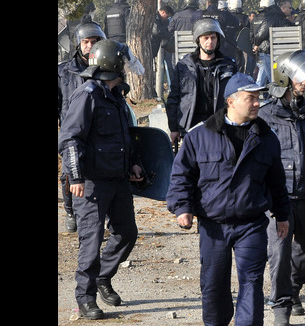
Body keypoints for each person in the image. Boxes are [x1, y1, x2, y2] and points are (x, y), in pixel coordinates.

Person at [167, 72, 290, 326]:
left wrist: (283, 215)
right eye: (251, 98)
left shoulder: (267, 137)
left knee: (252, 281)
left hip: (252, 222)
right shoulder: (199, 136)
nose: (257, 103)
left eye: (258, 98)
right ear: (231, 101)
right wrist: (182, 207)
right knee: (214, 282)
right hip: (213, 225)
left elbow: (277, 180)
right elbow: (182, 175)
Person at [58, 39, 145, 320]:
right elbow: (70, 138)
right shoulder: (87, 94)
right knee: (91, 242)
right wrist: (76, 176)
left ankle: (103, 278)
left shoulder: (116, 95)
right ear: (113, 64)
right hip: (92, 182)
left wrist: (133, 163)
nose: (126, 68)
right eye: (123, 63)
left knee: (127, 233)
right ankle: (85, 298)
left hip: (118, 179)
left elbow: (124, 137)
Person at [259, 51, 305, 325]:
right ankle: (281, 307)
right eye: (302, 76)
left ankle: (292, 290)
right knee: (279, 251)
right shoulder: (266, 115)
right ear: (286, 78)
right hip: (279, 197)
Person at [58, 21, 107, 233]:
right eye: (85, 42)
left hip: (100, 131)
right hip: (72, 131)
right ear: (79, 44)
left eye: (93, 41)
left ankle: (97, 215)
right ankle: (70, 211)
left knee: (100, 174)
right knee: (69, 173)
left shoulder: (108, 69)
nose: (89, 46)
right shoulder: (63, 72)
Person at [165, 18, 238, 152]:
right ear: (198, 39)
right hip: (190, 127)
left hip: (220, 126)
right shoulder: (184, 66)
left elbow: (237, 97)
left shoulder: (228, 65)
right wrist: (174, 128)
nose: (210, 42)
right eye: (205, 38)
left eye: (213, 38)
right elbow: (174, 97)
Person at [251, 0, 292, 86]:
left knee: (272, 78)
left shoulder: (271, 16)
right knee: (266, 75)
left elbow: (261, 33)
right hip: (273, 49)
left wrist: (256, 44)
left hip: (267, 50)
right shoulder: (279, 16)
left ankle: (273, 96)